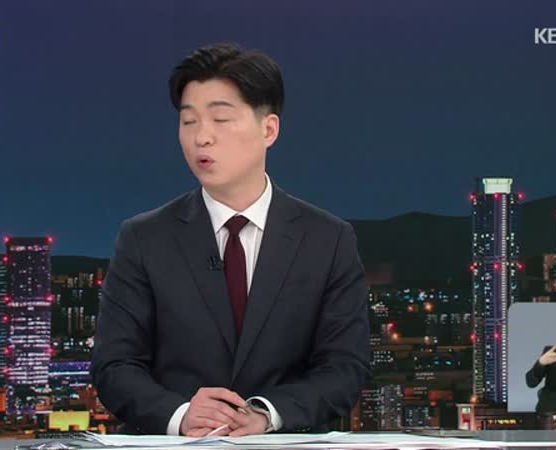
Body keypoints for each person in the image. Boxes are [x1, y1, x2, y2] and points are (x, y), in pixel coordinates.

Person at [90, 43, 370, 436]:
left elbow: (345, 367)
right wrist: (181, 414)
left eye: (220, 119)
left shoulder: (328, 239)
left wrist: (267, 414)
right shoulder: (143, 238)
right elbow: (114, 365)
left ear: (268, 129)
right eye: (189, 121)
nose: (201, 137)